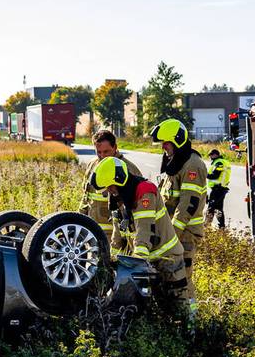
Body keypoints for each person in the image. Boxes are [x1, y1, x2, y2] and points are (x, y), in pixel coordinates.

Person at [90, 156, 189, 303]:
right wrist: (112, 261)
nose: (109, 191)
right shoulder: (119, 197)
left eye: (110, 186)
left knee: (179, 303)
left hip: (168, 259)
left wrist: (136, 263)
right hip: (147, 260)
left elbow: (145, 230)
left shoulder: (144, 191)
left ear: (120, 179)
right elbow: (118, 234)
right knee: (154, 308)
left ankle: (192, 326)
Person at [149, 118, 208, 299]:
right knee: (168, 278)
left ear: (177, 140)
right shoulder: (176, 162)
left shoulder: (192, 165)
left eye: (166, 143)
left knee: (183, 279)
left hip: (185, 234)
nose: (163, 148)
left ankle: (189, 320)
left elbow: (188, 204)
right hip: (172, 234)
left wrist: (172, 234)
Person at [79, 129, 142, 252]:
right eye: (99, 152)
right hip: (92, 233)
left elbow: (137, 210)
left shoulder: (128, 169)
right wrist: (80, 221)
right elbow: (86, 197)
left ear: (115, 148)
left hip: (117, 237)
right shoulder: (93, 165)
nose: (102, 156)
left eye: (106, 152)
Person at [204, 148, 232, 229]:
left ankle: (206, 226)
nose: (210, 157)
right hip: (221, 188)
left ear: (216, 155)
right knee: (219, 209)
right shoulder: (224, 162)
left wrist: (204, 174)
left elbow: (215, 175)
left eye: (211, 155)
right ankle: (222, 227)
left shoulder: (219, 163)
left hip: (217, 189)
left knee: (211, 208)